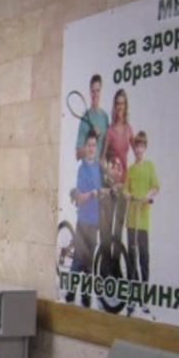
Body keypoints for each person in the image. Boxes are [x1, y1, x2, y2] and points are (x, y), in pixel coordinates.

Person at [124, 131, 159, 316]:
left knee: (144, 258)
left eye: (141, 146)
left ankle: (144, 298)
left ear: (145, 148)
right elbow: (125, 190)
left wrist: (148, 196)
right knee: (132, 259)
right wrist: (128, 195)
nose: (138, 149)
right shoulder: (130, 169)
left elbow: (156, 187)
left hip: (143, 222)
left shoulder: (149, 166)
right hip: (131, 220)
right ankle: (131, 297)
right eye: (136, 146)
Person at [98, 88, 132, 278]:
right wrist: (109, 175)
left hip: (123, 187)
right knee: (107, 228)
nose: (120, 107)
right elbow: (101, 160)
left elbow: (137, 152)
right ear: (114, 106)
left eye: (123, 103)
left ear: (126, 106)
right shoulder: (109, 132)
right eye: (117, 103)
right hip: (110, 186)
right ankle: (104, 267)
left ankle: (116, 266)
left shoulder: (129, 130)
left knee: (118, 230)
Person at [66, 130, 102, 308]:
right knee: (79, 259)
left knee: (89, 261)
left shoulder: (97, 168)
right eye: (89, 145)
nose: (91, 148)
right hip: (83, 220)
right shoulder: (82, 169)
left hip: (94, 221)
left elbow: (100, 191)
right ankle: (71, 293)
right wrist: (91, 194)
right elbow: (80, 197)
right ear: (85, 147)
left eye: (94, 145)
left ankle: (86, 296)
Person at [75, 74, 109, 163]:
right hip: (87, 170)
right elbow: (77, 155)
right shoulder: (85, 119)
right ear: (90, 93)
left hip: (100, 170)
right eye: (93, 91)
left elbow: (107, 149)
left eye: (98, 91)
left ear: (101, 92)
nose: (95, 94)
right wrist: (91, 141)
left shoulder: (105, 117)